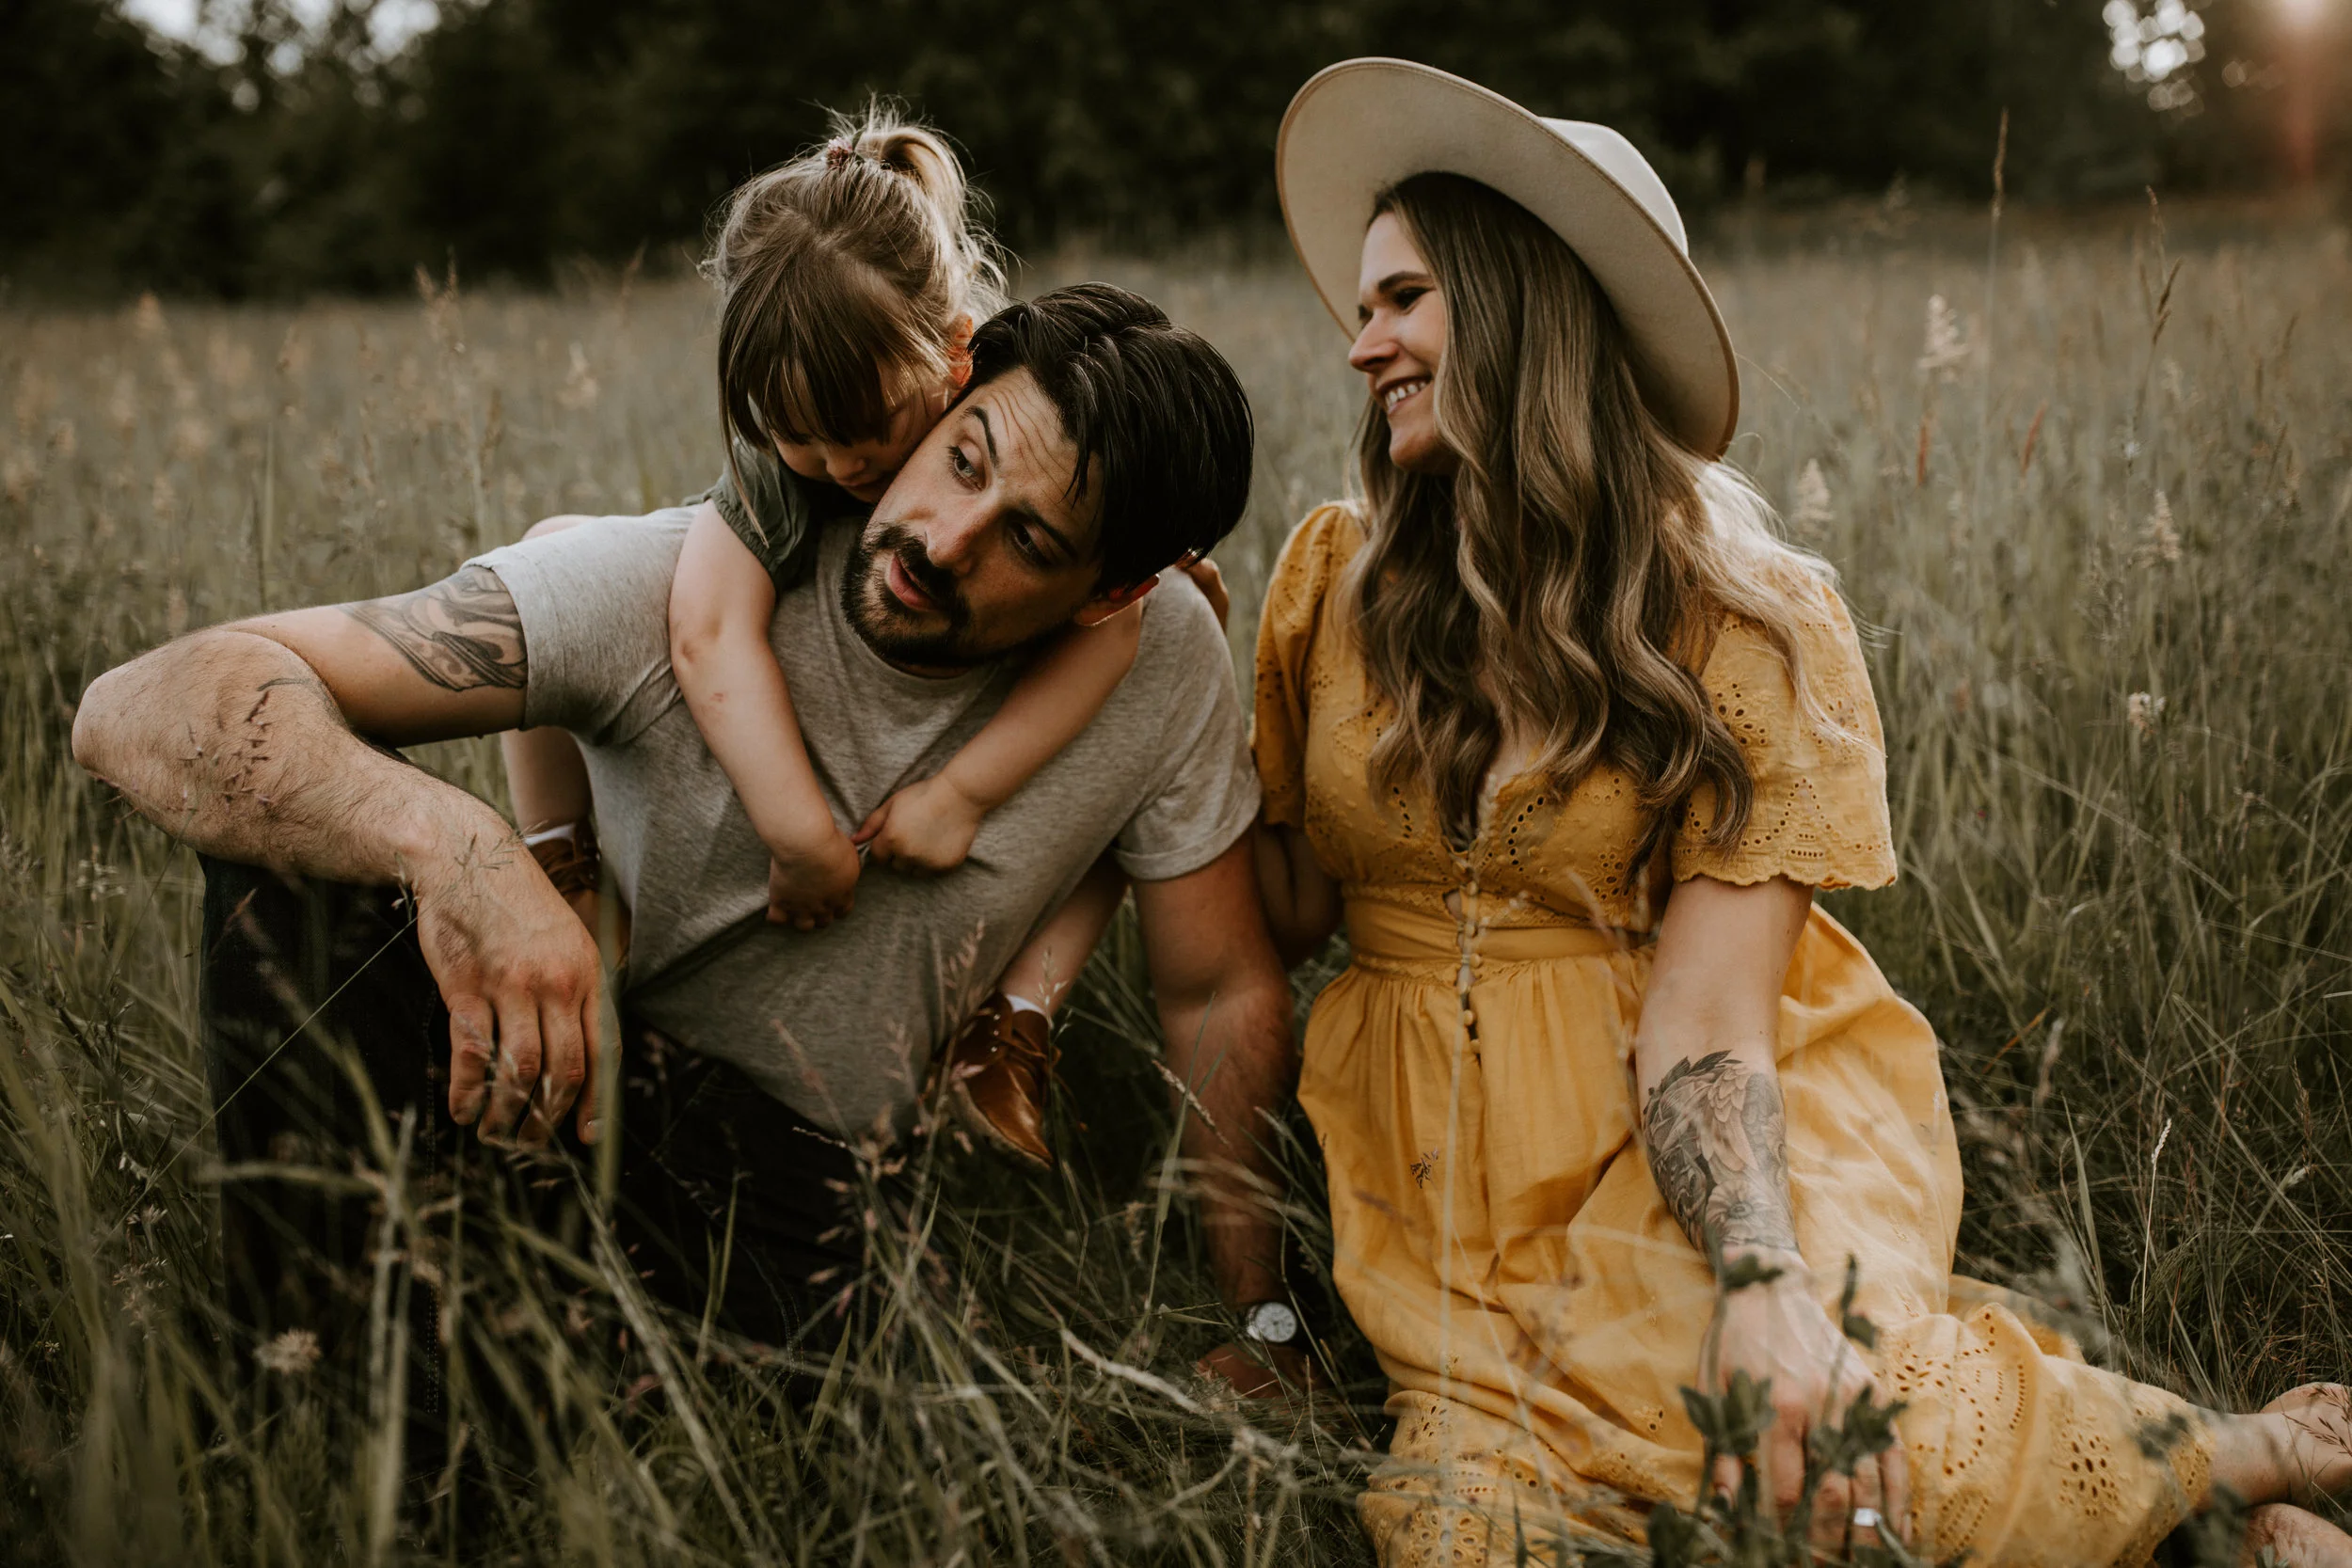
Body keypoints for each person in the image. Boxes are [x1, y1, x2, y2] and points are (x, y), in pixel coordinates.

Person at [1251, 58, 2352, 1567]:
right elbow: (1285, 912)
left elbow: (1708, 1017)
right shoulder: (1335, 585)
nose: (1360, 338)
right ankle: (2167, 1487)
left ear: (1522, 303)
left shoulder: (1737, 623)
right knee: (1462, 1539)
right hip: (1435, 1203)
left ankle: (2226, 1456)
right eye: (1364, 305)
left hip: (1685, 1119)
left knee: (1814, 1448)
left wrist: (1760, 1271)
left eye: (1403, 297)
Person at [71, 282, 1313, 1407]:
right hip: (550, 1072)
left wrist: (1259, 1310)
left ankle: (506, 1393)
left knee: (937, 1448)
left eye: (1030, 541)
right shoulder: (677, 581)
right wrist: (462, 851)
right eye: (963, 459)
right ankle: (321, 1394)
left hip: (804, 1178)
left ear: (1109, 595)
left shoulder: (1163, 664)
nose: (945, 538)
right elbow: (143, 702)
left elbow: (1217, 983)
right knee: (292, 862)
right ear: (939, 402)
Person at [503, 106, 1164, 1169]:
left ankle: (1015, 1023)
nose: (841, 462)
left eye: (868, 432)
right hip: (796, 726)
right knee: (549, 551)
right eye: (796, 430)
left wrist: (963, 793)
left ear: (952, 356)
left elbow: (1120, 615)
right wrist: (801, 832)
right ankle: (557, 852)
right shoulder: (779, 470)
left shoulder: (1011, 399)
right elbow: (710, 629)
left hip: (971, 673)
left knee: (1172, 652)